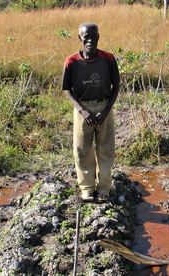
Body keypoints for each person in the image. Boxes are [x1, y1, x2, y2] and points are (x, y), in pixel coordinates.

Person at [61, 22, 120, 203]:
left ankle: (103, 189)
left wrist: (106, 111)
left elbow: (116, 86)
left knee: (105, 149)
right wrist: (82, 111)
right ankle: (87, 188)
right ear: (80, 38)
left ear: (98, 37)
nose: (90, 41)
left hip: (104, 108)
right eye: (86, 37)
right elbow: (66, 90)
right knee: (82, 150)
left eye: (93, 37)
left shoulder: (108, 59)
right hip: (82, 110)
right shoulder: (71, 61)